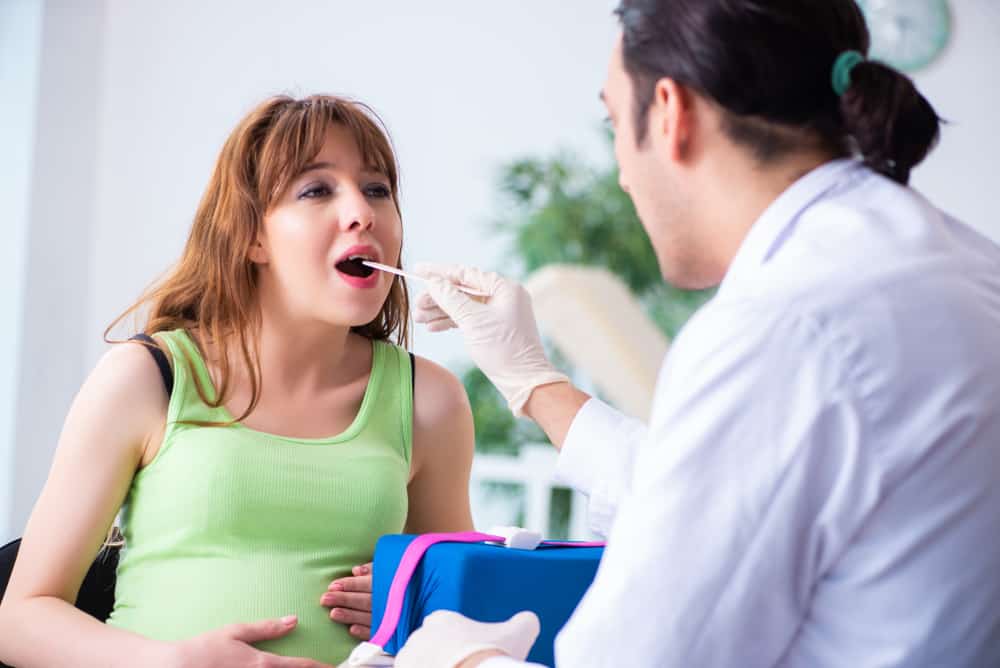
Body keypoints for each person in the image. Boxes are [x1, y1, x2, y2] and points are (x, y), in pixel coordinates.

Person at [395, 1, 1000, 666]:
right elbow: (717, 501)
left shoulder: (782, 327)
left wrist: (459, 660)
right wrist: (533, 382)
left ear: (668, 111)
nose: (624, 172)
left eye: (612, 122)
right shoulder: (960, 262)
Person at [0, 94, 475, 667]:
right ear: (252, 237)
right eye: (317, 190)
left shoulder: (430, 401)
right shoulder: (148, 378)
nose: (362, 212)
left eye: (377, 189)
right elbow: (20, 620)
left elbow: (462, 616)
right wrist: (173, 664)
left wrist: (414, 610)